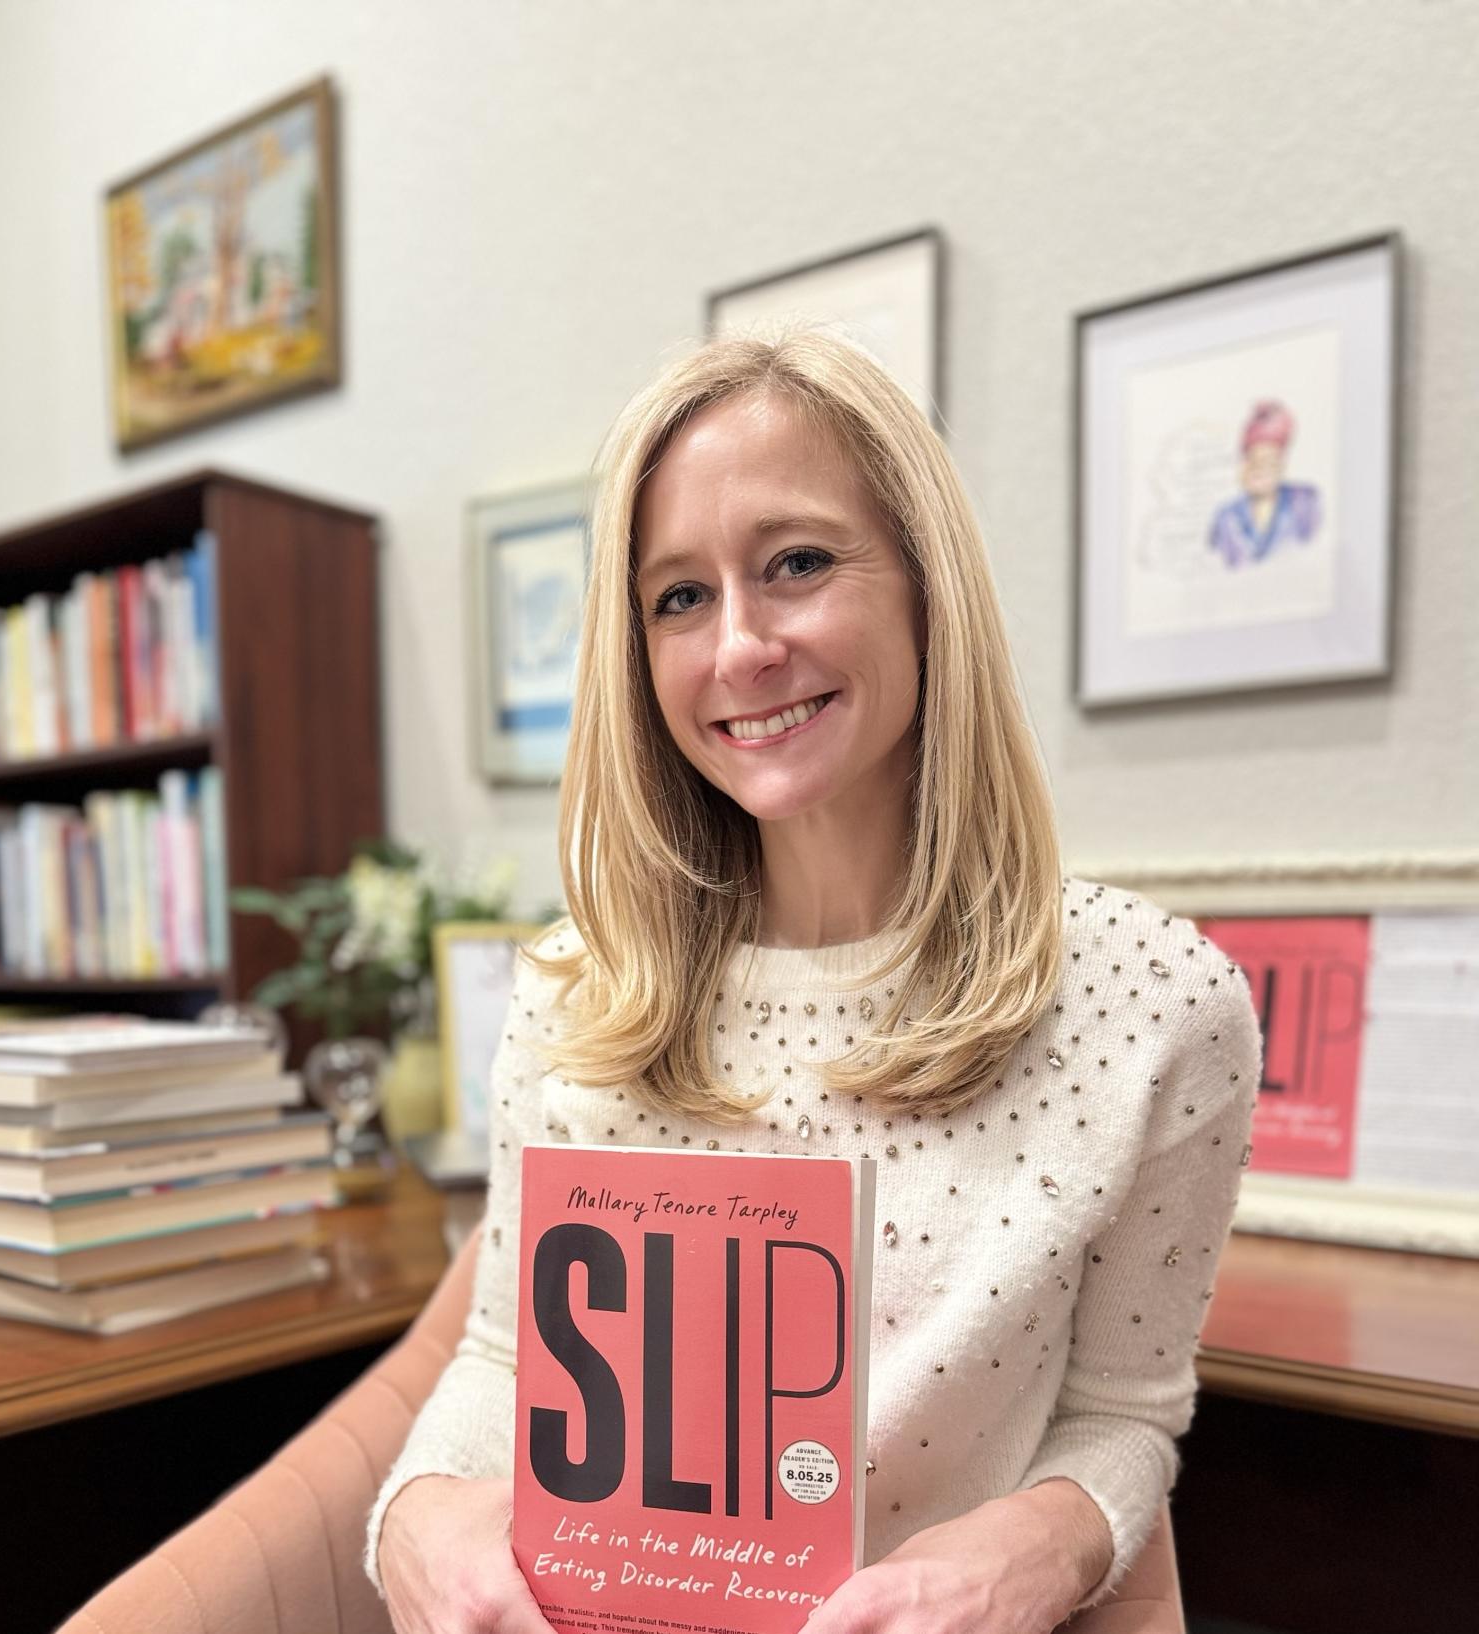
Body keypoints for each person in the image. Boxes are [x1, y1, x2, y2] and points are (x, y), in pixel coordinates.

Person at [366, 326, 1262, 1634]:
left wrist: (1046, 1547)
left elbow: (1126, 1411)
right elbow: (507, 1357)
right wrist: (415, 1511)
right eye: (678, 596)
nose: (739, 646)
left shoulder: (1158, 1009)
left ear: (923, 586)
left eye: (796, 563)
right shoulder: (574, 995)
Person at [1208, 399, 1322, 568]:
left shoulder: (1305, 502)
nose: (1258, 470)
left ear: (1282, 466)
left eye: (1269, 462)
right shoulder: (1226, 517)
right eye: (1252, 461)